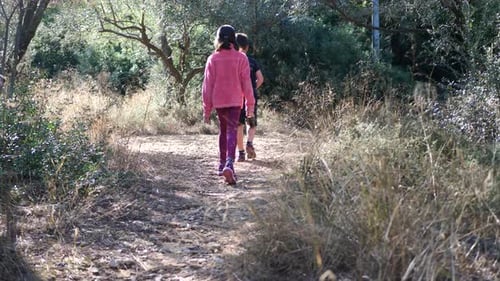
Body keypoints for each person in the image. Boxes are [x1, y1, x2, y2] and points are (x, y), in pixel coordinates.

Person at [202, 25, 255, 185]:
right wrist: (250, 106)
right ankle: (229, 164)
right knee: (232, 130)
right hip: (234, 101)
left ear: (218, 39)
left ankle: (221, 163)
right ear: (234, 39)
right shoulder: (241, 58)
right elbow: (247, 84)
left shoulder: (213, 59)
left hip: (219, 101)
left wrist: (207, 108)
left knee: (223, 130)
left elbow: (207, 85)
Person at [235, 33, 264, 162]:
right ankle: (249, 143)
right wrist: (253, 89)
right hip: (250, 95)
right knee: (251, 121)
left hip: (236, 96)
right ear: (247, 47)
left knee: (239, 124)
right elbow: (261, 79)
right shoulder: (252, 61)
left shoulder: (233, 61)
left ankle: (240, 153)